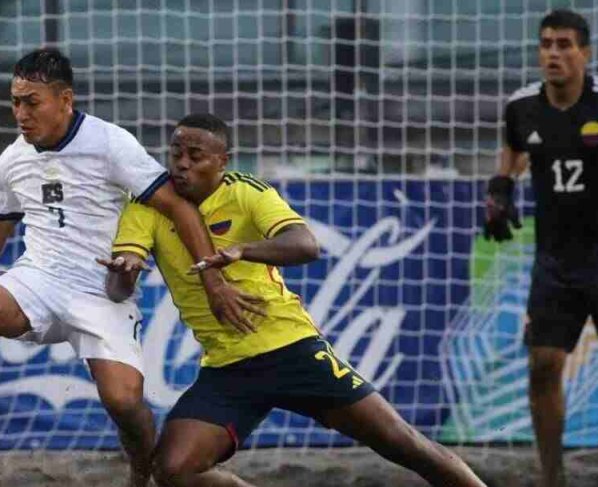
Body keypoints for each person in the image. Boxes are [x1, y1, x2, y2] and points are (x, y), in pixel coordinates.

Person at [101, 112, 487, 487]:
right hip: (228, 367)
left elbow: (305, 245)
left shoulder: (246, 192)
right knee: (173, 468)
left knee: (401, 442)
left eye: (195, 156)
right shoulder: (147, 205)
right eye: (176, 153)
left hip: (290, 349)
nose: (182, 165)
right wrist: (125, 270)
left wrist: (243, 251)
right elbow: (117, 290)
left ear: (221, 162)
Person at [0, 49, 262, 487]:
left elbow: (178, 206)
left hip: (103, 291)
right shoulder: (12, 159)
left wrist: (213, 279)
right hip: (38, 279)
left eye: (32, 102)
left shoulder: (109, 143)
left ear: (65, 99)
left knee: (123, 402)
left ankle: (141, 470)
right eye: (15, 101)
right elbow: (4, 226)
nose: (21, 113)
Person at [484, 9, 598, 487]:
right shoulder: (522, 107)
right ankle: (553, 479)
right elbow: (512, 152)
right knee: (543, 366)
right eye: (547, 44)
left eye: (565, 44)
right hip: (555, 260)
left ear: (584, 54)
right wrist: (501, 191)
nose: (553, 53)